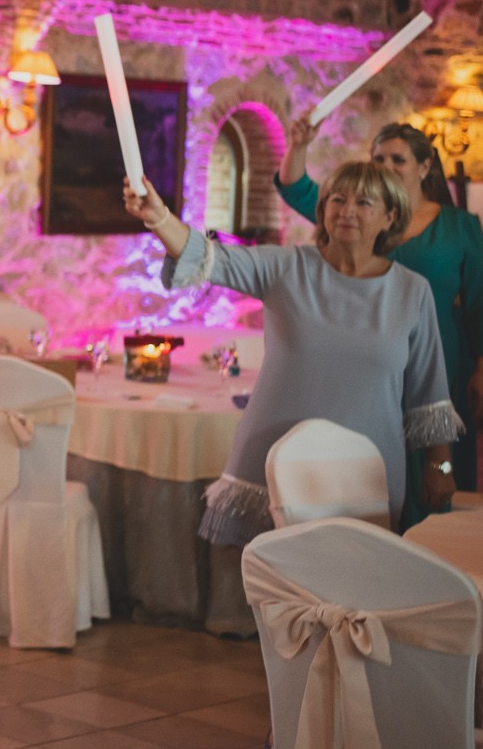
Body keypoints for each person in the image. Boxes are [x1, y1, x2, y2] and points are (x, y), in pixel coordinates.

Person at [126, 162, 460, 540]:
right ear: (323, 211)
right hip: (273, 462)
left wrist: (440, 466)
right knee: (267, 585)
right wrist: (158, 217)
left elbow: (428, 391)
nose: (347, 210)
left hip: (367, 470)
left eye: (364, 202)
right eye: (337, 199)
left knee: (361, 584)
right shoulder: (285, 267)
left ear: (390, 217)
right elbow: (208, 256)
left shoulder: (412, 291)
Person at [278, 119, 483, 497]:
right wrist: (297, 145)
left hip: (440, 354)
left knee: (437, 463)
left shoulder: (459, 225)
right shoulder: (360, 214)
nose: (387, 165)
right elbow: (297, 188)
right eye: (379, 157)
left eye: (399, 159)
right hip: (368, 358)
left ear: (425, 167)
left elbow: (481, 300)